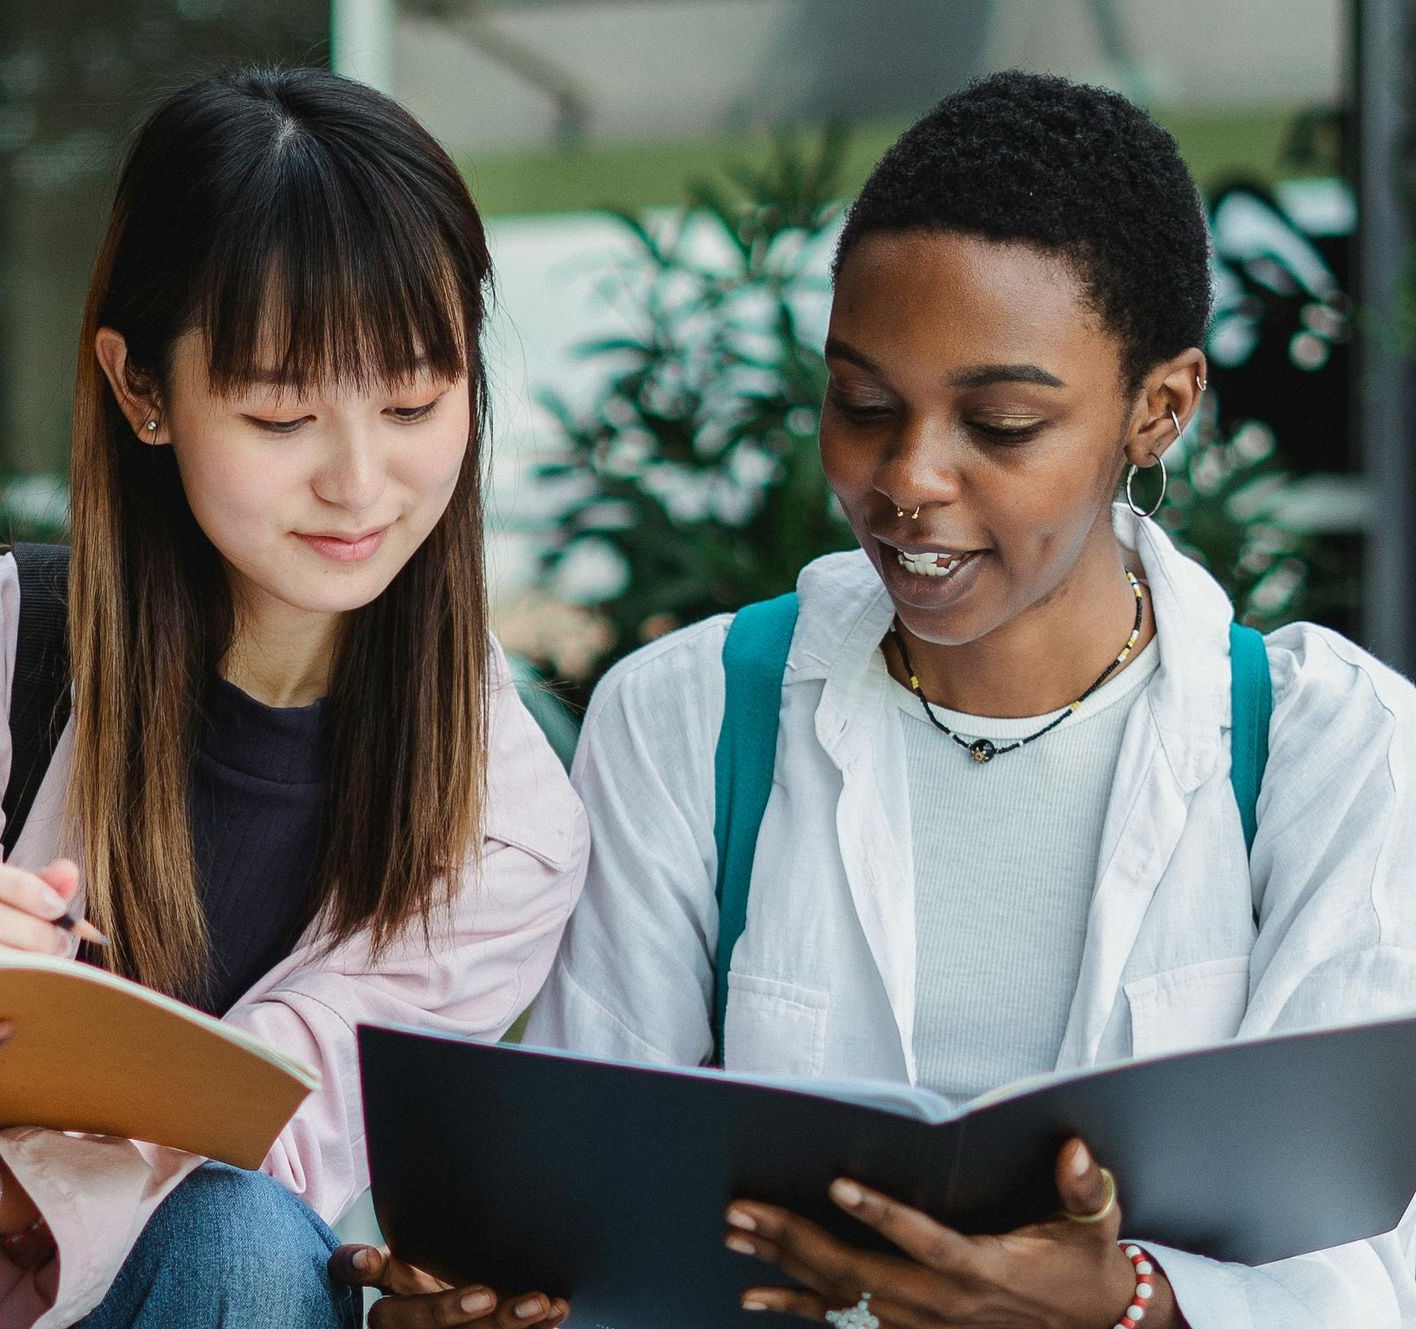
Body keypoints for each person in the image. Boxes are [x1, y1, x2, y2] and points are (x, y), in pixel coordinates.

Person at [339, 71, 1416, 1327]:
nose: (908, 477)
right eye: (862, 404)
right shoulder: (691, 721)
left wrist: (1134, 1302)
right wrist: (500, 1299)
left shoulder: (1328, 749)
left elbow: (1373, 1265)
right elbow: (594, 1214)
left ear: (1160, 409)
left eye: (1002, 424)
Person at [0, 66, 588, 1329]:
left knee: (238, 1231)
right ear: (140, 390)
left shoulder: (500, 819)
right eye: (280, 411)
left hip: (168, 1296)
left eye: (414, 399)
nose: (361, 483)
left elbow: (267, 1159)